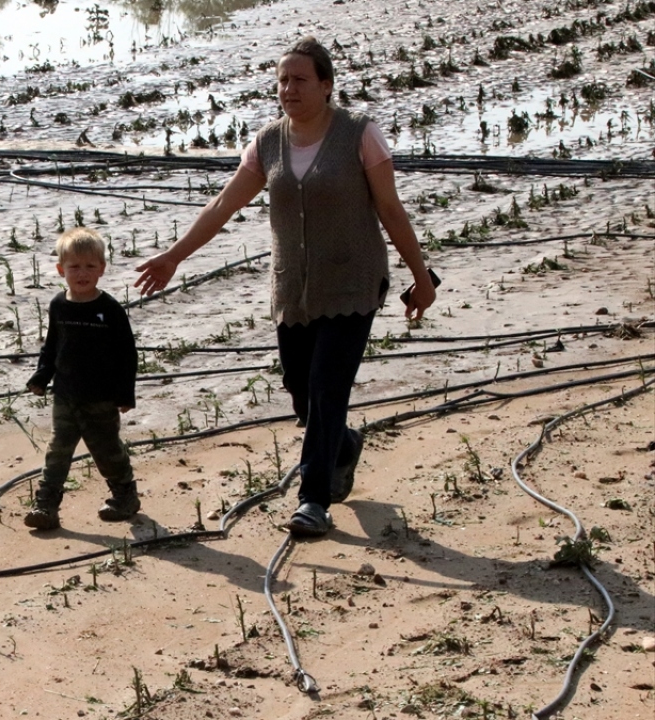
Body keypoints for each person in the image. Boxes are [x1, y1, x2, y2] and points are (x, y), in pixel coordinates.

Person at [134, 36, 435, 537]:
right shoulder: (268, 142)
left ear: (325, 85)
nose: (288, 89)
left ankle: (313, 500)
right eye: (282, 80)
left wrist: (420, 278)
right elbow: (222, 207)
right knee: (302, 392)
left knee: (326, 387)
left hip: (352, 284)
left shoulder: (361, 136)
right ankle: (342, 445)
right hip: (292, 289)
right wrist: (173, 257)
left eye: (299, 79)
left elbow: (390, 210)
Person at [25, 227, 140, 531]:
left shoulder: (110, 309)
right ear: (61, 269)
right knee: (57, 452)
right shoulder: (58, 306)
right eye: (74, 266)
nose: (82, 273)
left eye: (90, 266)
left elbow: (127, 354)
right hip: (65, 395)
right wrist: (42, 375)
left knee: (106, 451)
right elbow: (52, 347)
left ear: (102, 268)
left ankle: (125, 495)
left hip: (101, 398)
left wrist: (125, 394)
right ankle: (46, 506)